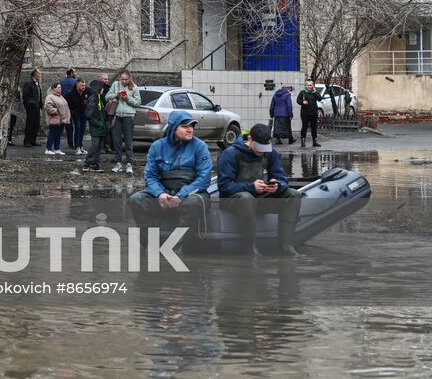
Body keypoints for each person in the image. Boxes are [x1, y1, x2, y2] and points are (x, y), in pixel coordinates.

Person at [128, 111, 212, 253]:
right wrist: (160, 194)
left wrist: (181, 196)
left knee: (192, 203)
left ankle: (178, 248)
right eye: (185, 126)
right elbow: (150, 176)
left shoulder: (200, 146)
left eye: (192, 126)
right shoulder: (157, 147)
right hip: (165, 194)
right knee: (136, 199)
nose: (190, 129)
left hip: (190, 194)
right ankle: (150, 245)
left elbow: (204, 179)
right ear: (173, 128)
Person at [217, 123, 303, 256]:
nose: (261, 151)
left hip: (260, 197)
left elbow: (281, 178)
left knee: (293, 195)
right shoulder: (230, 154)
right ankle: (250, 249)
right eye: (259, 147)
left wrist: (277, 185)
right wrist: (251, 187)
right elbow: (224, 186)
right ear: (250, 138)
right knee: (247, 199)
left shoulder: (270, 153)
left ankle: (286, 246)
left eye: (264, 148)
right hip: (233, 199)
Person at [107, 71, 141, 174]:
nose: (124, 81)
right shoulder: (116, 85)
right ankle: (118, 163)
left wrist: (128, 99)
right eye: (122, 79)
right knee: (116, 141)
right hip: (116, 116)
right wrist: (116, 95)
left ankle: (129, 163)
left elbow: (138, 103)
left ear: (129, 78)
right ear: (120, 78)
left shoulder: (134, 87)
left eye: (126, 79)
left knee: (128, 141)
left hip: (128, 116)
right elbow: (107, 97)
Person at [81, 78, 110, 171]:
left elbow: (103, 111)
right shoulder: (93, 99)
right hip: (96, 126)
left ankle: (95, 164)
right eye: (101, 88)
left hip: (101, 126)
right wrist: (98, 123)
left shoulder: (100, 98)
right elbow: (88, 115)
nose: (103, 90)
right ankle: (87, 163)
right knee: (95, 145)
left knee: (99, 147)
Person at [43, 82, 71, 156]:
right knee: (52, 134)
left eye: (60, 87)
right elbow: (48, 106)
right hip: (54, 118)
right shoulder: (50, 96)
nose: (60, 89)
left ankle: (57, 148)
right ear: (53, 88)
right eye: (58, 87)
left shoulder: (60, 96)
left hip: (61, 119)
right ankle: (48, 149)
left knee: (58, 134)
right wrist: (56, 111)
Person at [63, 71, 87, 154]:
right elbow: (67, 103)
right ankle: (77, 146)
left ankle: (81, 146)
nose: (83, 87)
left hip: (83, 113)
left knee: (82, 129)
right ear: (77, 85)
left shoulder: (86, 92)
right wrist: (72, 110)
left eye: (84, 85)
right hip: (75, 113)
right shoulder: (71, 93)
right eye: (82, 85)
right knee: (78, 128)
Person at [20, 69, 42, 148]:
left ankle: (33, 140)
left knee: (36, 124)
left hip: (37, 106)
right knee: (30, 124)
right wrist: (30, 103)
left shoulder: (37, 84)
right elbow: (26, 96)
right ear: (34, 75)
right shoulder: (29, 83)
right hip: (31, 107)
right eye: (39, 74)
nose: (40, 75)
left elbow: (39, 95)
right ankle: (27, 141)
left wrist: (40, 104)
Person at [297, 80, 322, 148]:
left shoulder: (314, 92)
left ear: (312, 85)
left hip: (314, 112)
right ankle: (303, 142)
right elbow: (298, 100)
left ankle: (315, 141)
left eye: (310, 85)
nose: (309, 87)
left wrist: (315, 92)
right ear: (305, 85)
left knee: (314, 127)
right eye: (308, 85)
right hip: (305, 113)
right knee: (304, 127)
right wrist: (302, 102)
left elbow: (320, 99)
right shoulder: (302, 92)